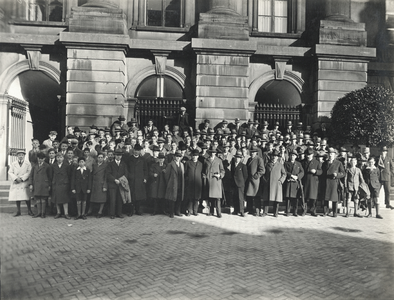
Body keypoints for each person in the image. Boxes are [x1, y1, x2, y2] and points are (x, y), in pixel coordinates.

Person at [262, 149, 286, 217]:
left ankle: (275, 212)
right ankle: (265, 212)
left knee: (276, 199)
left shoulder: (280, 165)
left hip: (276, 184)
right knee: (266, 198)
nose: (274, 157)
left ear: (278, 157)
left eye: (275, 156)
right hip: (268, 184)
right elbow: (263, 173)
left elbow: (284, 174)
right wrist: (264, 180)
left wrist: (281, 181)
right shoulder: (267, 164)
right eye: (273, 156)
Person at [8, 150, 33, 217]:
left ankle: (29, 210)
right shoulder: (13, 163)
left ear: (24, 156)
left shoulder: (28, 163)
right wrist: (16, 178)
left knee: (27, 197)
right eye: (19, 155)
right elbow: (10, 172)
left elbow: (29, 172)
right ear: (17, 156)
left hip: (24, 182)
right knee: (17, 197)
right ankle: (18, 211)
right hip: (16, 182)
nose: (21, 156)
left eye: (22, 155)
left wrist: (22, 178)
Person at [322, 148, 345, 217]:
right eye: (329, 154)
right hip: (326, 181)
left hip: (334, 182)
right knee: (325, 197)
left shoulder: (338, 163)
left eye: (332, 154)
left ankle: (335, 212)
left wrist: (337, 175)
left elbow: (343, 173)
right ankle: (325, 211)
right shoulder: (325, 163)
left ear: (335, 155)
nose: (330, 155)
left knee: (334, 198)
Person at [202, 149, 225, 218]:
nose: (212, 154)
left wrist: (220, 175)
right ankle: (211, 211)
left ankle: (219, 212)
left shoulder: (219, 160)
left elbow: (222, 170)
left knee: (217, 198)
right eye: (211, 152)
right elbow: (203, 170)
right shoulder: (206, 160)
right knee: (210, 197)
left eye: (214, 153)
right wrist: (204, 176)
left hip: (216, 181)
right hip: (209, 181)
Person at [106, 149, 128, 219]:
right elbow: (108, 174)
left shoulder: (123, 164)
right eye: (117, 155)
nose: (119, 157)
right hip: (113, 184)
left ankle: (119, 213)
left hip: (120, 184)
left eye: (120, 155)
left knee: (120, 199)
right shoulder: (110, 164)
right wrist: (114, 180)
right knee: (112, 199)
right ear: (114, 155)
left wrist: (121, 180)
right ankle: (112, 214)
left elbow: (126, 173)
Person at [29, 152, 52, 218]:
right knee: (38, 199)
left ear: (44, 159)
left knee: (43, 199)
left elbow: (50, 177)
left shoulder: (47, 166)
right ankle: (38, 212)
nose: (40, 160)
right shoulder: (34, 166)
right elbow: (31, 176)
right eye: (39, 158)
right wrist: (31, 184)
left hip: (44, 184)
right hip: (36, 184)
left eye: (42, 158)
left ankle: (43, 213)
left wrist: (49, 185)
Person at [127, 144, 147, 215]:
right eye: (135, 150)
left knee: (139, 196)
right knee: (131, 196)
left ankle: (138, 210)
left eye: (138, 150)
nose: (136, 152)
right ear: (133, 150)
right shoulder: (129, 159)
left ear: (140, 151)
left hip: (139, 180)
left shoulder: (142, 159)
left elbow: (145, 170)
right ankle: (131, 211)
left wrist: (145, 178)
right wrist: (129, 176)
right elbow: (126, 169)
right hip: (131, 180)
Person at [302, 148, 322, 216]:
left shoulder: (317, 162)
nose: (308, 156)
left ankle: (313, 211)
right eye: (307, 154)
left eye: (310, 154)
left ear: (312, 155)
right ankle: (304, 210)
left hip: (313, 181)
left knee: (313, 197)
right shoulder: (303, 162)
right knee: (304, 197)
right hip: (305, 181)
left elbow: (321, 171)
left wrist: (316, 171)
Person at [284, 150, 305, 217]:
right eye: (291, 155)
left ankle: (295, 211)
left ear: (296, 156)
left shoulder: (298, 164)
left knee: (296, 198)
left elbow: (302, 172)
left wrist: (297, 177)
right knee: (288, 198)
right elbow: (284, 171)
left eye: (293, 155)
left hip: (296, 183)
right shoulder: (286, 163)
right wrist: (291, 175)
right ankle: (287, 211)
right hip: (289, 182)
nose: (292, 157)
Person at [164, 150, 185, 218]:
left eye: (179, 156)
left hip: (180, 184)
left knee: (179, 198)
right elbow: (167, 175)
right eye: (177, 156)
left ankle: (177, 211)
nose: (178, 158)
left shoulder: (181, 165)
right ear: (174, 157)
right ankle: (171, 212)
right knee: (172, 199)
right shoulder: (171, 164)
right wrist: (169, 183)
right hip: (173, 184)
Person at [51, 152, 72, 219]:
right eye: (58, 157)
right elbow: (51, 175)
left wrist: (67, 183)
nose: (59, 159)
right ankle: (58, 212)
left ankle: (66, 213)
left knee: (65, 199)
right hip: (56, 183)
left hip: (64, 184)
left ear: (63, 158)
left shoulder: (67, 166)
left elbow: (69, 175)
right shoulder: (53, 166)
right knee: (57, 199)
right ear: (56, 158)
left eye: (61, 157)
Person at [245, 148, 265, 216]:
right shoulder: (249, 159)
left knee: (256, 195)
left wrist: (256, 176)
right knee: (249, 195)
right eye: (251, 152)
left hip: (256, 180)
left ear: (256, 153)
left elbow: (262, 170)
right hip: (249, 180)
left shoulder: (259, 159)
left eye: (253, 152)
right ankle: (249, 209)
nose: (252, 153)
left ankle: (257, 211)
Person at [184, 149, 203, 216]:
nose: (194, 157)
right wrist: (187, 179)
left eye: (196, 156)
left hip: (197, 183)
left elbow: (201, 173)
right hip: (190, 183)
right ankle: (189, 211)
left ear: (198, 156)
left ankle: (195, 211)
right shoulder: (188, 163)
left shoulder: (200, 164)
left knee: (196, 198)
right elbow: (185, 173)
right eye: (193, 155)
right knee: (190, 197)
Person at [90, 152, 108, 218]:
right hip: (95, 183)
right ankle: (91, 211)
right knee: (93, 198)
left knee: (102, 199)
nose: (100, 159)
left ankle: (100, 212)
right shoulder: (94, 165)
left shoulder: (105, 165)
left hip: (101, 183)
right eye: (99, 157)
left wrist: (105, 185)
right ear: (97, 158)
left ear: (103, 158)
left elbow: (106, 176)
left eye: (101, 157)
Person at [231, 151, 248, 217]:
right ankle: (236, 210)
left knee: (240, 198)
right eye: (236, 157)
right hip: (234, 184)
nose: (237, 159)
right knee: (235, 197)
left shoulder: (243, 166)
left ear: (240, 159)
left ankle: (241, 211)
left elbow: (245, 176)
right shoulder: (233, 165)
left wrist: (242, 182)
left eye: (238, 158)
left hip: (240, 184)